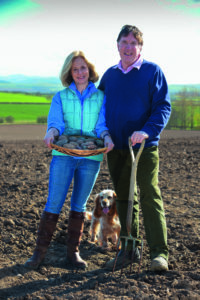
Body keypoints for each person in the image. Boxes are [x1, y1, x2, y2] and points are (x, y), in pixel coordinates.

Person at [24, 50, 114, 270]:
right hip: (63, 154)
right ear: (69, 73)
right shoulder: (60, 97)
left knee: (79, 205)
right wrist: (51, 133)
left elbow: (101, 125)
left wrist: (107, 138)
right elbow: (56, 123)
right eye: (75, 69)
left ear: (90, 70)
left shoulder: (101, 97)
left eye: (83, 68)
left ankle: (73, 253)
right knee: (54, 202)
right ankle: (39, 254)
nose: (80, 72)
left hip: (91, 156)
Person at [98, 25, 171, 271]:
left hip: (143, 147)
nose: (128, 47)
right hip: (117, 147)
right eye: (124, 42)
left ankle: (159, 254)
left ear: (140, 47)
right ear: (117, 45)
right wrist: (102, 135)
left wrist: (146, 130)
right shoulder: (110, 75)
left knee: (149, 195)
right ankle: (129, 251)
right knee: (126, 200)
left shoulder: (152, 72)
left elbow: (163, 107)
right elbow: (98, 108)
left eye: (133, 43)